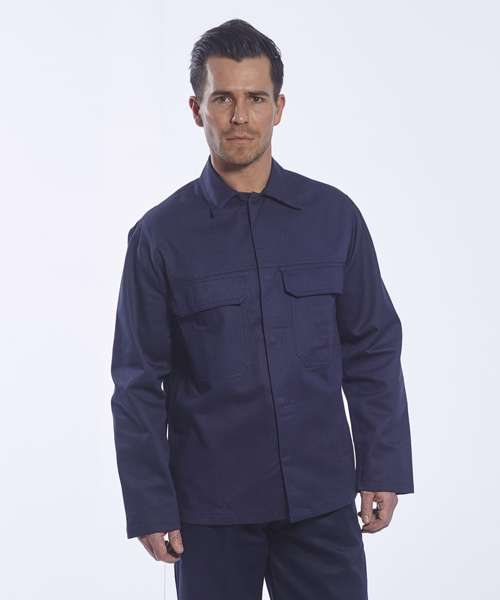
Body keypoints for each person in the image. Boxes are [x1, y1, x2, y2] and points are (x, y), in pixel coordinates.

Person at [110, 18, 414, 600]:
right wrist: (150, 502)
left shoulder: (334, 218)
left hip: (321, 501)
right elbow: (138, 380)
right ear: (196, 109)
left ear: (279, 108)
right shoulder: (159, 237)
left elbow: (372, 345)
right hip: (211, 511)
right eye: (223, 98)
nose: (240, 117)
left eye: (255, 98)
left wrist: (383, 465)